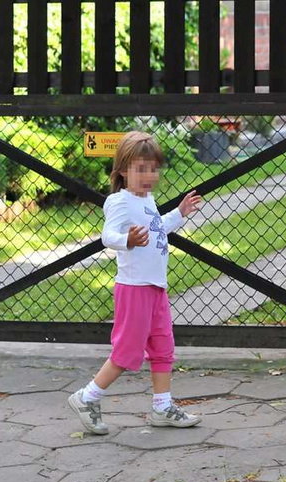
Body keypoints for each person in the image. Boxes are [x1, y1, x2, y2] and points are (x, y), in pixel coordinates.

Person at [68, 131, 203, 435]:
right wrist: (126, 240)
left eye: (153, 169)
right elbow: (107, 236)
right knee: (128, 350)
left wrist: (179, 214)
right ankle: (87, 397)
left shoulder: (147, 200)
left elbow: (158, 229)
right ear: (123, 171)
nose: (148, 176)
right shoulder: (120, 201)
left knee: (163, 346)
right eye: (141, 169)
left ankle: (162, 406)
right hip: (134, 289)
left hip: (156, 288)